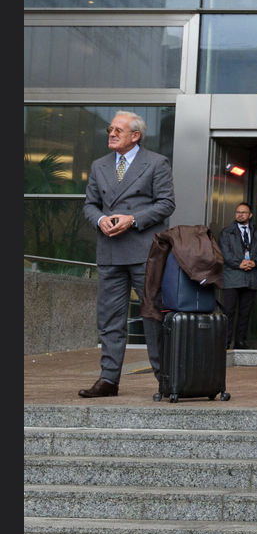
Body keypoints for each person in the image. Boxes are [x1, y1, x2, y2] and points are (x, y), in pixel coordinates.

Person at [79, 110, 175, 397]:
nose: (111, 133)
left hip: (144, 253)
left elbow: (167, 204)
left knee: (152, 316)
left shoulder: (156, 163)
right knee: (109, 318)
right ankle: (108, 380)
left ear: (136, 136)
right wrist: (99, 219)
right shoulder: (99, 166)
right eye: (111, 129)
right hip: (109, 251)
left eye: (118, 130)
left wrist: (133, 219)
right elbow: (89, 205)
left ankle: (165, 378)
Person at [218, 201, 257, 351]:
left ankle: (240, 341)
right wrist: (239, 263)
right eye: (238, 212)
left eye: (243, 212)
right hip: (232, 278)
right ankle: (226, 341)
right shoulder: (227, 232)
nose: (240, 215)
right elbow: (224, 252)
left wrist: (255, 262)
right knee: (229, 311)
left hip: (251, 278)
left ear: (250, 215)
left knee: (245, 313)